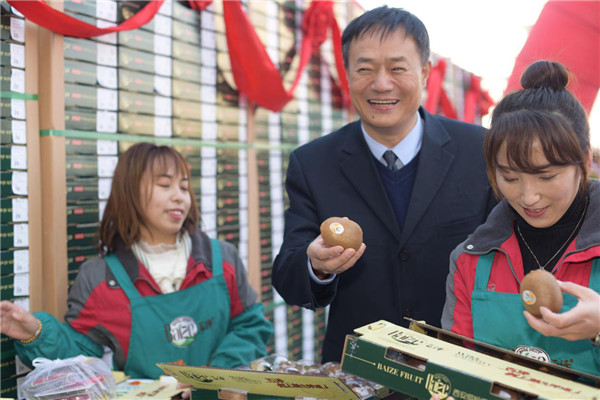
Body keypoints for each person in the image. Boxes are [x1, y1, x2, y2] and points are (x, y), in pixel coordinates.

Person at [271, 5, 496, 363]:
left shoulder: (481, 151)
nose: (380, 83)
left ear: (423, 72)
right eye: (364, 69)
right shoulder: (313, 163)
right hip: (360, 368)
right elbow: (288, 275)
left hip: (461, 366)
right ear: (347, 74)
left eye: (396, 68)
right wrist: (316, 266)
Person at [0, 143, 273, 379]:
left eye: (184, 186)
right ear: (129, 192)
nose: (179, 196)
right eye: (165, 185)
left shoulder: (221, 259)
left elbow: (251, 326)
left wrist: (210, 378)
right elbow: (81, 356)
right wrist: (35, 333)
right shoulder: (99, 278)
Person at [441, 60, 600, 376]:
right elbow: (456, 365)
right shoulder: (471, 259)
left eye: (546, 176)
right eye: (510, 178)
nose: (528, 198)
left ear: (584, 160)